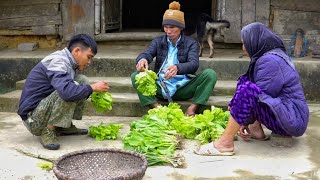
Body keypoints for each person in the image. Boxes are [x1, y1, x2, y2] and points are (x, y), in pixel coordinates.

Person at [194, 22, 309, 156]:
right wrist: (244, 118)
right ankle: (256, 130)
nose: (243, 48)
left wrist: (242, 117)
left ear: (255, 41)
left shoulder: (271, 61)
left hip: (293, 120)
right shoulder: (269, 56)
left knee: (247, 90)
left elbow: (257, 95)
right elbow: (262, 96)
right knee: (245, 82)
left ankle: (224, 144)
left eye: (244, 43)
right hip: (288, 115)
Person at [17, 34, 110, 150]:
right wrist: (92, 88)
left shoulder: (69, 62)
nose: (89, 62)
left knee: (82, 81)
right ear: (77, 51)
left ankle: (62, 125)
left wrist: (89, 88)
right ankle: (48, 131)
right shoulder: (58, 61)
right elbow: (67, 92)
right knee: (70, 90)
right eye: (89, 57)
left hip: (42, 109)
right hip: (33, 119)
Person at [131, 1, 217, 116]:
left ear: (181, 27)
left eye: (172, 27)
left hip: (183, 87)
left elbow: (193, 64)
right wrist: (142, 59)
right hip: (160, 86)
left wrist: (178, 68)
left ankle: (192, 109)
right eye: (166, 27)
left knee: (210, 74)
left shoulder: (191, 43)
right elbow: (147, 53)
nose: (168, 31)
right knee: (135, 76)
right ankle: (156, 107)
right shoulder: (158, 41)